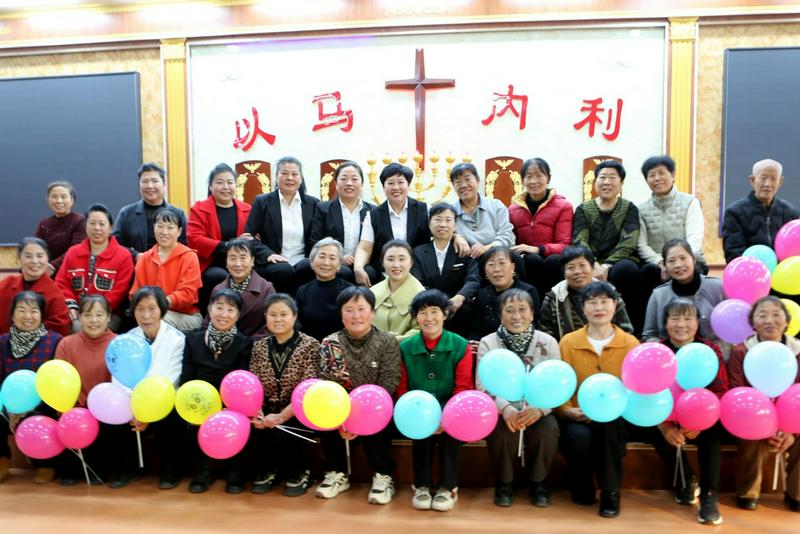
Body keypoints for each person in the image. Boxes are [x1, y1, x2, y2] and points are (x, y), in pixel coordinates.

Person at [641, 298, 728, 525]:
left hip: (702, 417)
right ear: (665, 323)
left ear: (697, 323)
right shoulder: (656, 352)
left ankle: (709, 496)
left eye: (688, 318)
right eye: (675, 318)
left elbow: (720, 391)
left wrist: (699, 422)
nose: (681, 324)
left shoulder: (710, 350)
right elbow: (645, 394)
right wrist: (664, 425)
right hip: (666, 416)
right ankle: (687, 479)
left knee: (713, 433)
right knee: (649, 427)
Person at [557, 281, 639, 518]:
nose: (599, 307)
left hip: (616, 416)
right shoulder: (568, 342)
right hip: (578, 414)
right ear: (583, 308)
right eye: (592, 302)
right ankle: (582, 485)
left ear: (615, 305)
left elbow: (635, 387)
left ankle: (610, 492)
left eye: (604, 301)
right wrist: (566, 410)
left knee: (607, 428)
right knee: (578, 437)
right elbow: (559, 384)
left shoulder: (630, 343)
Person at [317, 286, 401, 504]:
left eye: (362, 309)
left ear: (372, 312)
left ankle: (383, 476)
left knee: (380, 419)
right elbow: (328, 384)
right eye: (349, 310)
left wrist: (363, 415)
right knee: (325, 417)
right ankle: (337, 473)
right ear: (341, 314)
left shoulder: (387, 341)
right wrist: (342, 419)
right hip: (341, 407)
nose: (356, 316)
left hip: (376, 406)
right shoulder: (330, 343)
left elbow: (389, 380)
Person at [477, 288, 560, 507]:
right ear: (500, 315)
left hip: (537, 407)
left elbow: (556, 384)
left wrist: (539, 410)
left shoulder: (549, 342)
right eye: (509, 310)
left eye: (522, 309)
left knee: (548, 429)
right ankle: (504, 483)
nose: (516, 316)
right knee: (501, 429)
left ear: (532, 314)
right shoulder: (488, 343)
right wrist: (505, 408)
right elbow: (482, 385)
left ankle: (539, 482)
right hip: (503, 408)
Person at [396, 289, 474, 512]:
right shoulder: (405, 348)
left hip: (452, 410)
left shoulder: (460, 345)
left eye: (434, 311)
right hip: (417, 410)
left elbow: (463, 388)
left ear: (445, 314)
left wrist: (445, 418)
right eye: (422, 313)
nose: (429, 318)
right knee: (421, 430)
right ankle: (421, 485)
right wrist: (420, 416)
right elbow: (402, 389)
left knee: (452, 433)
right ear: (415, 317)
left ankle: (448, 487)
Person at [727, 295, 800, 513]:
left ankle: (796, 493)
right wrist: (766, 426)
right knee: (751, 435)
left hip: (792, 420)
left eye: (776, 315)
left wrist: (791, 430)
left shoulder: (798, 351)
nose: (769, 320)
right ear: (753, 323)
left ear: (786, 321)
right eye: (762, 315)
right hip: (753, 417)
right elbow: (737, 392)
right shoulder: (741, 351)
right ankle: (749, 492)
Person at [109, 286, 185, 490]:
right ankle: (130, 469)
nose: (146, 315)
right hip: (134, 399)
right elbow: (119, 377)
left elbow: (171, 378)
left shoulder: (176, 339)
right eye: (140, 309)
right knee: (117, 412)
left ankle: (170, 469)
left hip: (163, 397)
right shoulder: (126, 340)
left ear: (162, 310)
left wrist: (148, 412)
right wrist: (134, 408)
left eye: (152, 308)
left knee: (171, 416)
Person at [181, 288, 252, 494]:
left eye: (230, 309)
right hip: (200, 402)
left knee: (239, 420)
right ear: (209, 309)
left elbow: (243, 379)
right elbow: (187, 376)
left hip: (231, 402)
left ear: (238, 315)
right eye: (219, 307)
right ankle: (203, 471)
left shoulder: (245, 343)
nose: (224, 314)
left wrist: (226, 406)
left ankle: (235, 473)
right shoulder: (193, 340)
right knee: (191, 423)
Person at [249, 293, 320, 496]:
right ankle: (268, 471)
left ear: (294, 316)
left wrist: (281, 416)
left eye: (283, 314)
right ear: (265, 317)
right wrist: (258, 412)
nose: (278, 319)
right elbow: (253, 384)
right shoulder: (258, 347)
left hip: (300, 411)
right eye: (273, 315)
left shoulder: (311, 346)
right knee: (254, 428)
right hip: (267, 409)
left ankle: (301, 473)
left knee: (283, 433)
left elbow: (308, 389)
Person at [572, 160, 645, 335]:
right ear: (595, 181)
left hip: (619, 262)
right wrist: (593, 263)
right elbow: (580, 240)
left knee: (627, 270)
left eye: (612, 177)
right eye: (602, 177)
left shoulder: (629, 208)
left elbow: (628, 242)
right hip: (591, 261)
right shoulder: (584, 209)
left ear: (621, 183)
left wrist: (606, 266)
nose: (606, 182)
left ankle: (630, 330)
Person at [0, 291, 63, 484]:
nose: (28, 316)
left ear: (42, 315)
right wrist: (10, 407)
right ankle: (2, 461)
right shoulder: (2, 342)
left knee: (38, 417)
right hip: (7, 404)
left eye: (34, 311)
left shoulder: (55, 341)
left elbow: (56, 383)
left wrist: (26, 408)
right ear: (12, 315)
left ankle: (46, 464)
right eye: (22, 310)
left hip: (42, 403)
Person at [54, 294, 115, 485]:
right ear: (79, 317)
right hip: (75, 408)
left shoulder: (118, 343)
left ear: (108, 317)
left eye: (99, 315)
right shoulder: (66, 344)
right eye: (88, 315)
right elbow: (59, 381)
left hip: (106, 409)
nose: (93, 320)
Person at [244, 156, 319, 294]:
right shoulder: (262, 202)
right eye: (284, 173)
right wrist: (268, 254)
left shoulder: (313, 204)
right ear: (276, 177)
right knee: (283, 270)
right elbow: (248, 237)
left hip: (303, 259)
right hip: (274, 260)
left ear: (301, 178)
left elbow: (318, 237)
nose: (289, 178)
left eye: (294, 174)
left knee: (308, 267)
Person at [56, 204, 134, 331]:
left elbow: (119, 291)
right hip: (75, 311)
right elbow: (61, 283)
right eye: (92, 223)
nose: (97, 228)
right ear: (85, 226)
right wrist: (72, 307)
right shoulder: (73, 252)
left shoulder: (123, 256)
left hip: (108, 313)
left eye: (102, 224)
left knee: (80, 329)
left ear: (110, 228)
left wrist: (94, 312)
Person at [353, 163, 431, 287]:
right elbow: (365, 247)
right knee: (367, 272)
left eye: (400, 182)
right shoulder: (373, 215)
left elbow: (441, 231)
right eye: (390, 183)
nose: (396, 187)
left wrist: (456, 237)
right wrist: (358, 267)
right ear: (383, 187)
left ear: (408, 185)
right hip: (384, 272)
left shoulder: (424, 210)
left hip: (417, 270)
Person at [187, 163, 252, 307]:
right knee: (217, 277)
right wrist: (228, 246)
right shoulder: (199, 209)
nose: (225, 187)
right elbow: (194, 238)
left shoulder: (247, 209)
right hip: (211, 262)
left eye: (230, 182)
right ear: (210, 186)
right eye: (220, 182)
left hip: (242, 261)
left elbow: (254, 236)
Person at [508, 157, 574, 299]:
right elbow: (513, 241)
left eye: (539, 175)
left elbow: (565, 244)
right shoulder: (513, 209)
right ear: (522, 180)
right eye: (528, 177)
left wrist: (538, 249)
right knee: (531, 260)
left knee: (553, 260)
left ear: (548, 178)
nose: (533, 181)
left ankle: (554, 305)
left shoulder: (564, 206)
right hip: (528, 261)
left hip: (553, 260)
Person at [411, 204, 480, 337]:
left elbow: (473, 279)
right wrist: (434, 303)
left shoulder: (464, 250)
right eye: (438, 219)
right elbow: (417, 281)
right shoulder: (418, 252)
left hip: (458, 308)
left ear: (454, 225)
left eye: (448, 220)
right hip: (428, 305)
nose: (443, 224)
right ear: (429, 223)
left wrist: (459, 297)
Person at [129, 207, 202, 332]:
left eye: (170, 227)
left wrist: (159, 304)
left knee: (159, 320)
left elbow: (188, 294)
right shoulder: (145, 258)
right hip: (151, 313)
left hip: (186, 316)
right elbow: (135, 293)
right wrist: (149, 308)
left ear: (179, 231)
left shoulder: (189, 257)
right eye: (160, 226)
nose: (164, 232)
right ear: (154, 227)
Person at [538, 246, 633, 341]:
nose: (577, 272)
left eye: (582, 265)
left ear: (592, 268)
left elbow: (626, 331)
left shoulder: (610, 295)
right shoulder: (554, 298)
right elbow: (546, 337)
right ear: (564, 272)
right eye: (571, 267)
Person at [637, 156, 706, 281]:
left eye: (661, 173)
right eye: (651, 175)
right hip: (656, 261)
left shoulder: (690, 202)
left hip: (687, 257)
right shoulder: (641, 209)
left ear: (673, 175)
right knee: (648, 271)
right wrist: (660, 261)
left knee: (694, 268)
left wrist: (678, 260)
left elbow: (694, 237)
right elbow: (641, 244)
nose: (657, 178)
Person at [642, 239, 724, 342]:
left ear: (693, 260)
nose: (678, 265)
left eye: (683, 258)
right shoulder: (658, 295)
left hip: (713, 349)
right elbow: (649, 335)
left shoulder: (717, 287)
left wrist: (716, 349)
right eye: (671, 261)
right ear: (665, 265)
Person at [723, 158, 800, 263]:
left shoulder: (792, 214)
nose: (768, 184)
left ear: (780, 182)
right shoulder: (735, 212)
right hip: (750, 270)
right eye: (763, 178)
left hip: (784, 271)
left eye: (773, 179)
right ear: (752, 180)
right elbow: (733, 253)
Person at [309, 161, 375, 283]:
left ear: (361, 184)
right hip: (334, 261)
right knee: (343, 272)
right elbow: (315, 240)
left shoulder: (372, 211)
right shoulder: (323, 209)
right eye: (343, 179)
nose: (349, 183)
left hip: (363, 262)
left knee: (370, 273)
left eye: (354, 179)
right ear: (336, 184)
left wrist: (361, 261)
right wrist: (340, 257)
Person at [113, 162, 188, 256]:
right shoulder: (126, 213)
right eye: (145, 181)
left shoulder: (178, 214)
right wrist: (135, 255)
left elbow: (186, 245)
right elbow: (114, 244)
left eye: (154, 181)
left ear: (164, 184)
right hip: (136, 264)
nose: (149, 186)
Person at [0, 237, 70, 336]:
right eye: (28, 256)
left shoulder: (55, 293)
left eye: (40, 256)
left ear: (47, 259)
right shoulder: (6, 284)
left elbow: (60, 327)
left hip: (42, 344)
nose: (34, 261)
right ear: (19, 259)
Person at [471, 246, 540, 340]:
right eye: (491, 264)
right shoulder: (482, 294)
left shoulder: (528, 291)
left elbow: (534, 325)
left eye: (502, 263)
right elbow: (477, 328)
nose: (497, 269)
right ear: (485, 272)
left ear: (513, 267)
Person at [208, 239, 274, 337]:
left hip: (254, 343)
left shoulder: (266, 289)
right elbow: (208, 321)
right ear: (226, 262)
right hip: (221, 342)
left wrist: (249, 343)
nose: (238, 264)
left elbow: (271, 324)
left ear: (252, 260)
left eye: (243, 258)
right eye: (233, 258)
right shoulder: (218, 289)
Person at [449, 162, 515, 258]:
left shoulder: (496, 206)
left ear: (477, 181)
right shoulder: (450, 211)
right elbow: (438, 232)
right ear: (453, 186)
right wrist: (455, 237)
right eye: (458, 182)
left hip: (495, 257)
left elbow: (508, 236)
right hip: (465, 260)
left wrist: (488, 248)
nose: (463, 185)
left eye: (467, 179)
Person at [295, 237, 353, 341]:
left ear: (339, 265)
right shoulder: (302, 291)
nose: (326, 263)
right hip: (310, 346)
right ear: (312, 262)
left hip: (340, 346)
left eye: (332, 258)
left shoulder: (349, 291)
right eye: (322, 257)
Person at [370, 240, 425, 341]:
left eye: (402, 259)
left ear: (411, 262)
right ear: (382, 263)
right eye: (390, 259)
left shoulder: (421, 296)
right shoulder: (372, 292)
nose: (396, 265)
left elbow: (421, 330)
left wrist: (391, 342)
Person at [34, 181, 86, 276]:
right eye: (54, 197)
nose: (58, 201)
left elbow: (76, 249)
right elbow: (36, 248)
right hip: (45, 271)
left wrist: (53, 266)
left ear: (72, 200)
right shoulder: (43, 224)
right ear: (48, 200)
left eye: (63, 197)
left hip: (72, 272)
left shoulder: (80, 221)